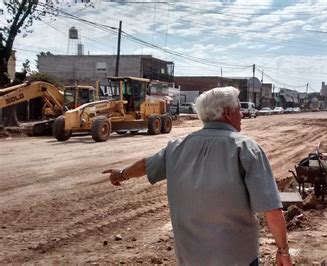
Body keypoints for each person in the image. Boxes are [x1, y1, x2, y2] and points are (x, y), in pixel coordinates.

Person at [102, 86, 292, 266]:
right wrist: (283, 250)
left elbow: (146, 165)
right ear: (226, 112)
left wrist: (121, 174)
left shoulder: (176, 147)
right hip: (237, 258)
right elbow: (272, 210)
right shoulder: (247, 149)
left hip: (190, 257)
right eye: (238, 109)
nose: (241, 114)